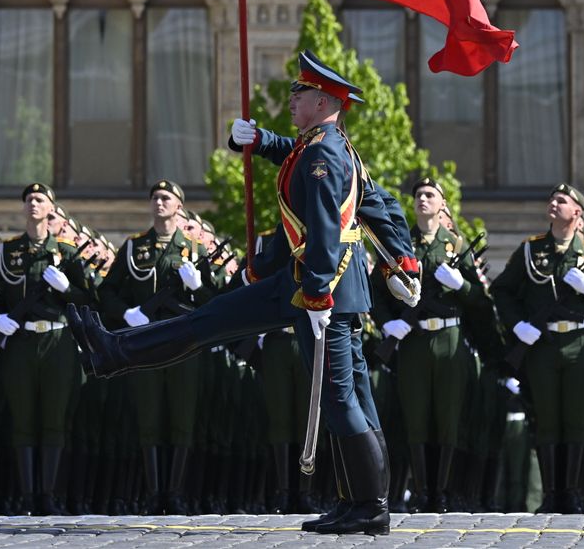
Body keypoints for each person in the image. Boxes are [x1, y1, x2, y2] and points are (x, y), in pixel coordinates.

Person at [66, 51, 416, 536]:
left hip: (320, 289)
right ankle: (113, 351)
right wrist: (256, 140)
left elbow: (323, 231)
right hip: (310, 284)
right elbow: (350, 190)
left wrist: (317, 296)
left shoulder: (324, 155)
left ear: (321, 100)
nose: (291, 100)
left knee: (341, 396)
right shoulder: (326, 145)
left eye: (298, 94)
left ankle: (370, 508)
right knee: (217, 324)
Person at [490, 183, 584, 514]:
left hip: (579, 343)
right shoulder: (531, 251)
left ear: (577, 212)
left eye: (561, 200)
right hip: (543, 345)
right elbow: (503, 291)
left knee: (576, 419)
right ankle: (550, 494)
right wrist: (517, 325)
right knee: (547, 417)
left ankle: (572, 493)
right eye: (552, 198)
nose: (553, 203)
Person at [0, 183, 91, 515]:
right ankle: (27, 497)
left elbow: (87, 298)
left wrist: (67, 288)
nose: (33, 204)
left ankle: (48, 496)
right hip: (21, 341)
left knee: (53, 419)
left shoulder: (67, 253)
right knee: (22, 419)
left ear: (51, 208)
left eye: (40, 199)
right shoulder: (7, 252)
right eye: (28, 200)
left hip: (57, 341)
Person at [372, 176, 482, 512]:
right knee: (416, 414)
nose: (422, 199)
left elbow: (479, 300)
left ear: (442, 204)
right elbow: (377, 291)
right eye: (419, 194)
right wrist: (386, 322)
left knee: (447, 415)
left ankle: (442, 491)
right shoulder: (400, 244)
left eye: (430, 194)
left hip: (447, 336)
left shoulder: (457, 246)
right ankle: (421, 492)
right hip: (413, 338)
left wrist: (461, 285)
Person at [99, 179, 209, 514]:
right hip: (146, 341)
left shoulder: (195, 249)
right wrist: (126, 313)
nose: (158, 203)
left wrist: (199, 285)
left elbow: (214, 301)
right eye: (155, 198)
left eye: (166, 198)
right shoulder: (134, 248)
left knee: (181, 416)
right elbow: (106, 292)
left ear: (179, 205)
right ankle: (152, 492)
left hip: (182, 342)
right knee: (148, 415)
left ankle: (174, 492)